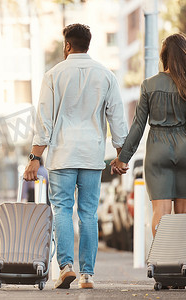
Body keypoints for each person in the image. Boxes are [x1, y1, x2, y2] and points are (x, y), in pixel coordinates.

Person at [23, 23, 128, 289]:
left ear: (68, 45)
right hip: (92, 156)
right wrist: (120, 155)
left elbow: (43, 121)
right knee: (89, 214)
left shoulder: (53, 75)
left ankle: (66, 267)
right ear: (88, 44)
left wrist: (35, 159)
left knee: (62, 210)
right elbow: (117, 118)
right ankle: (87, 275)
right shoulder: (106, 76)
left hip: (62, 155)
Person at [111, 33, 186, 237]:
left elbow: (138, 126)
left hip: (157, 150)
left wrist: (123, 158)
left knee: (161, 213)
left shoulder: (149, 85)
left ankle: (162, 261)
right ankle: (182, 261)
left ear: (163, 56)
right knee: (184, 214)